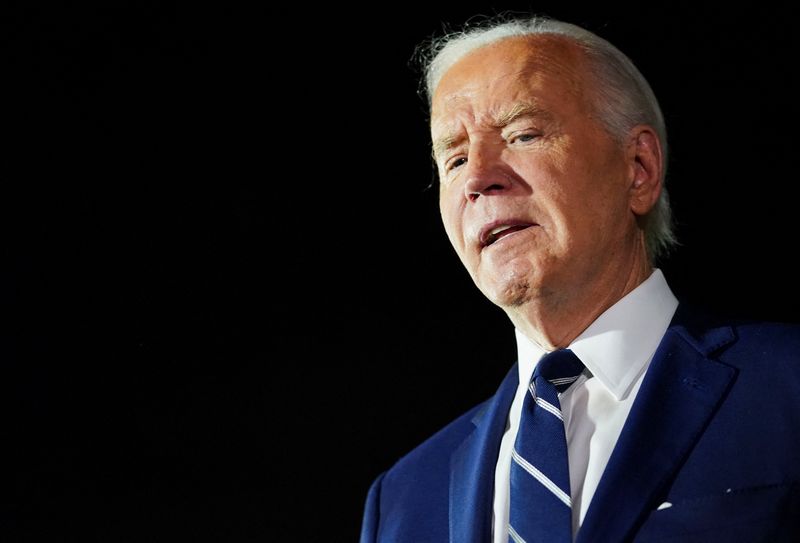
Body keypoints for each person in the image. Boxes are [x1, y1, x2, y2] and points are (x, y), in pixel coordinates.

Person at [359, 15, 800, 543]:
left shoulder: (788, 386)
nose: (477, 177)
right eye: (453, 160)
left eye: (522, 134)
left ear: (638, 168)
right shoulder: (404, 497)